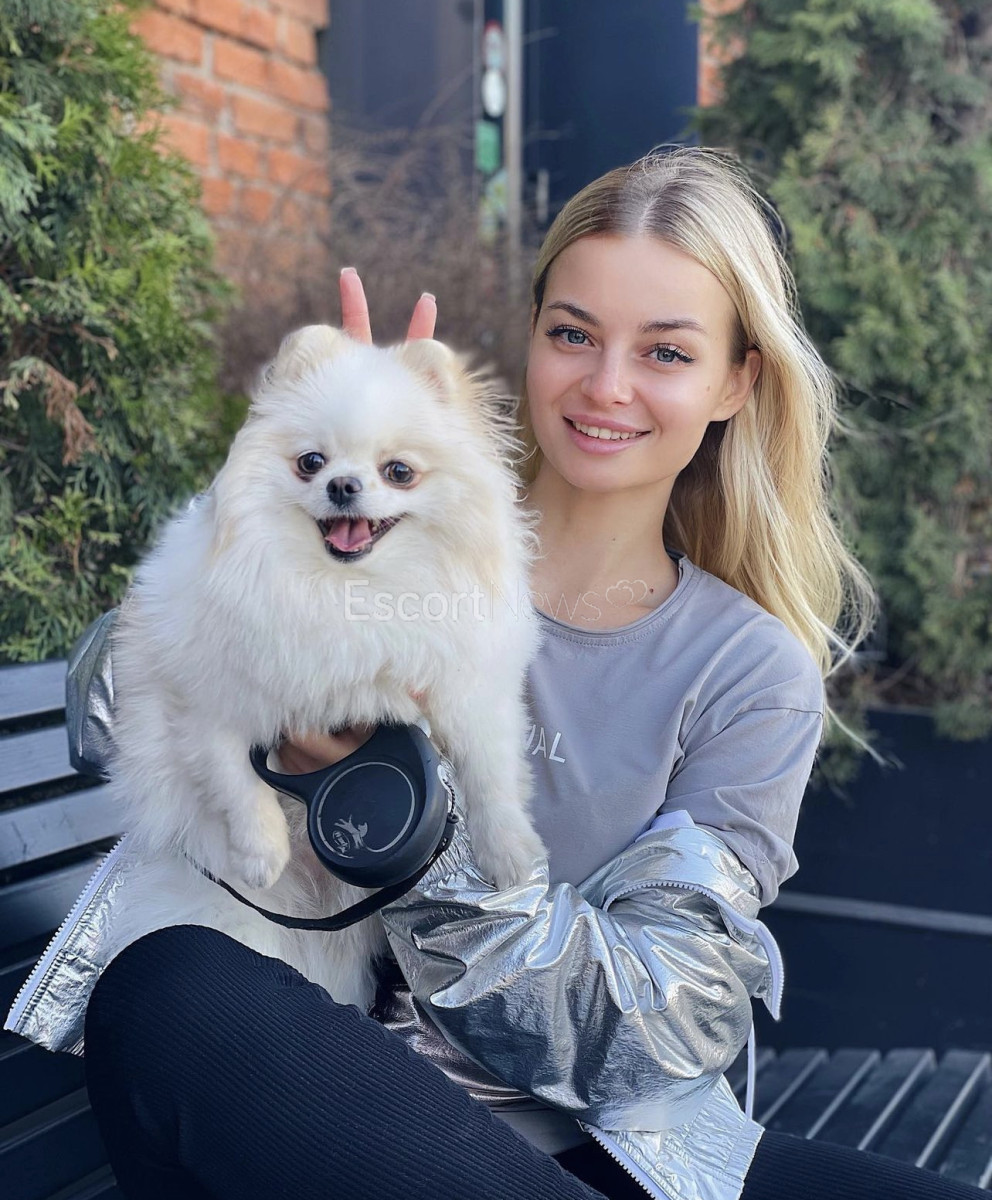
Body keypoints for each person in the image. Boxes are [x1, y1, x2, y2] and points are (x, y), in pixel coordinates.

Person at [24, 148, 985, 1200]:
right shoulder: (359, 532)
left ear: (735, 382)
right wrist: (279, 469)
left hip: (606, 1150)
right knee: (172, 987)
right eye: (572, 333)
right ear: (531, 338)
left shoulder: (746, 670)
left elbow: (655, 1031)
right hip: (316, 1098)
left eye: (665, 351)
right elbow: (112, 713)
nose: (605, 386)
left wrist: (410, 844)